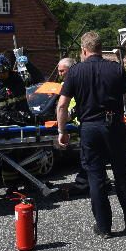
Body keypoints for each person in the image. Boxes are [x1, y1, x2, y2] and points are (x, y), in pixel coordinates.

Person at [56, 31, 126, 238]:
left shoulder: (74, 72)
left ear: (83, 50)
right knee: (122, 174)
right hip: (114, 127)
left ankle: (104, 227)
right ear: (101, 49)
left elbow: (62, 105)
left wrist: (62, 131)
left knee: (95, 177)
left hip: (89, 128)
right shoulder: (116, 68)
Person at [0, 54, 32, 195]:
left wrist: (27, 65)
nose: (3, 74)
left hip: (22, 119)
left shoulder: (19, 78)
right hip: (4, 122)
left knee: (27, 153)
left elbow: (33, 80)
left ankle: (29, 182)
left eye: (5, 71)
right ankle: (11, 186)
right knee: (7, 156)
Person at [57, 57, 93, 193]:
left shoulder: (76, 82)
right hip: (77, 120)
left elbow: (64, 106)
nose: (60, 74)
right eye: (59, 71)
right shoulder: (65, 84)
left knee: (87, 156)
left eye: (62, 71)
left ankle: (84, 183)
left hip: (81, 121)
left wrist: (62, 127)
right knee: (91, 156)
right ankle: (101, 181)